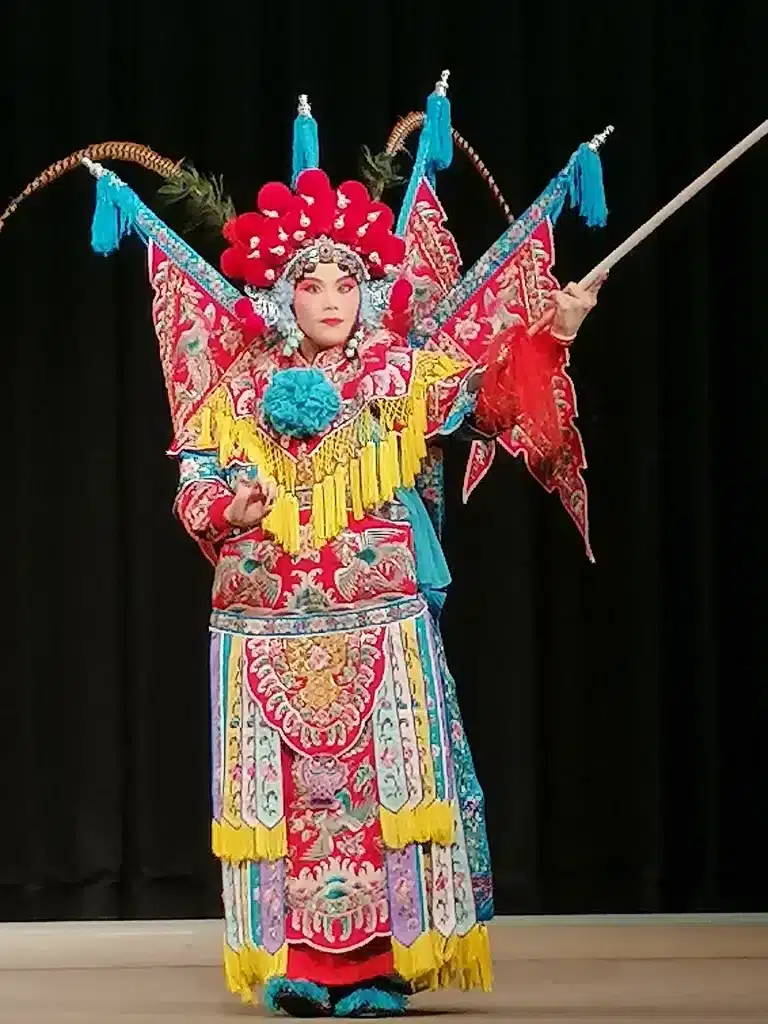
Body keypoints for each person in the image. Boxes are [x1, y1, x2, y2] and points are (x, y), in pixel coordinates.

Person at [171, 159, 600, 1017]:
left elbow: (497, 405)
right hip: (268, 623)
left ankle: (379, 966)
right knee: (288, 800)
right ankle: (296, 963)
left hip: (379, 616)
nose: (331, 298)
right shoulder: (238, 390)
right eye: (312, 283)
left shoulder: (405, 375)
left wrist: (556, 334)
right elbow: (191, 487)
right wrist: (234, 503)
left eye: (348, 281)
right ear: (284, 297)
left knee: (379, 789)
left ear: (369, 292)